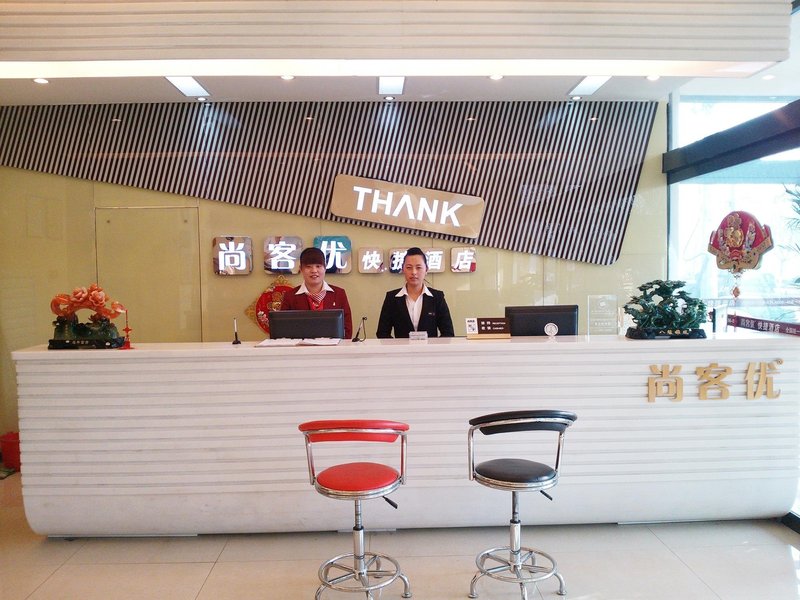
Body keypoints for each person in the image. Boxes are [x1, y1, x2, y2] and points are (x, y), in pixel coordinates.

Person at [376, 247, 455, 338]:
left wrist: (434, 347)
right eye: (409, 267)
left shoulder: (437, 297)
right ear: (403, 269)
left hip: (430, 347)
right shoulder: (392, 298)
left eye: (418, 267)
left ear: (426, 270)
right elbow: (382, 333)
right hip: (401, 348)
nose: (414, 272)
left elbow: (448, 333)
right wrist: (397, 346)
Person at [280, 247, 353, 338]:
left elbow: (347, 329)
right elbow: (283, 329)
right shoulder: (290, 296)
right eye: (308, 267)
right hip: (300, 346)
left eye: (318, 266)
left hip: (334, 346)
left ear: (325, 268)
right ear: (301, 269)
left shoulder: (339, 294)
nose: (314, 271)